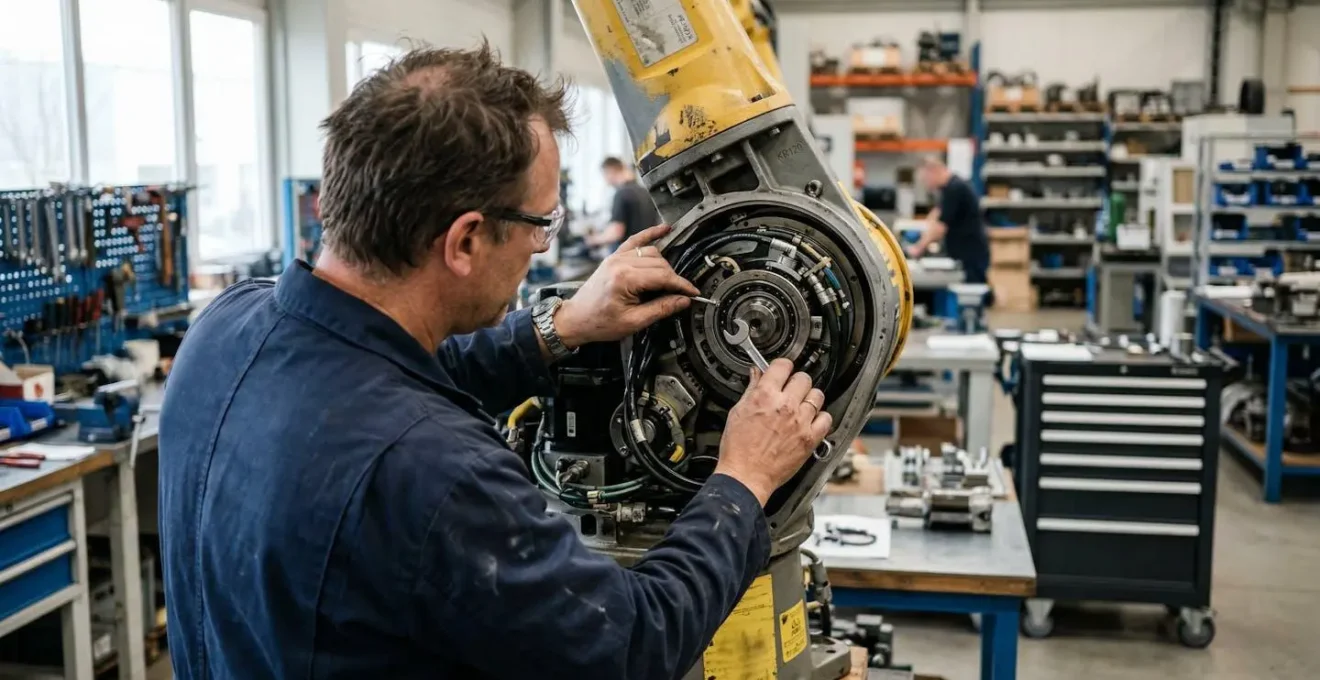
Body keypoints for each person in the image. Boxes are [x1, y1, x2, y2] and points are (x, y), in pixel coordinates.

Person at [158, 45, 831, 680]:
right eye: (540, 225)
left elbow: (379, 381)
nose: (541, 247)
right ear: (466, 240)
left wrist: (561, 327)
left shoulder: (224, 329)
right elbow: (630, 644)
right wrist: (743, 480)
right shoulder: (438, 475)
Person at [908, 156, 991, 290]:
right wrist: (925, 227)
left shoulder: (955, 189)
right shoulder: (950, 187)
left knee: (970, 298)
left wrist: (918, 248)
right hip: (967, 254)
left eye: (926, 179)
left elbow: (940, 228)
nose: (926, 185)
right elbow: (937, 214)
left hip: (970, 256)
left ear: (934, 172)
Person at [586, 156, 660, 250]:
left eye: (604, 175)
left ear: (610, 172)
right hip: (648, 251)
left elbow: (616, 232)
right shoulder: (644, 191)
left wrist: (594, 240)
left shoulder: (621, 194)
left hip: (629, 254)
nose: (605, 180)